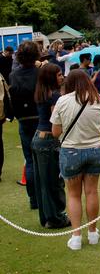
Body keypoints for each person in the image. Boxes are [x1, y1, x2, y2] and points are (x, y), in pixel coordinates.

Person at [51, 70, 100, 250]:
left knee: (73, 194)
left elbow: (55, 131)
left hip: (71, 151)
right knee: (92, 192)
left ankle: (76, 236)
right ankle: (92, 232)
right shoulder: (97, 99)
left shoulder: (63, 101)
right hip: (96, 150)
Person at [31, 63, 69, 229]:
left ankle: (47, 216)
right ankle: (55, 217)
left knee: (43, 182)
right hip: (48, 141)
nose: (62, 77)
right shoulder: (53, 96)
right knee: (53, 181)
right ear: (51, 77)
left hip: (38, 138)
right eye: (59, 74)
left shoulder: (41, 93)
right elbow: (56, 121)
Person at [10, 41, 41, 209]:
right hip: (40, 118)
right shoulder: (40, 72)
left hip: (23, 119)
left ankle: (33, 199)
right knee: (44, 160)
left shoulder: (14, 75)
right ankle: (42, 198)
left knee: (29, 160)